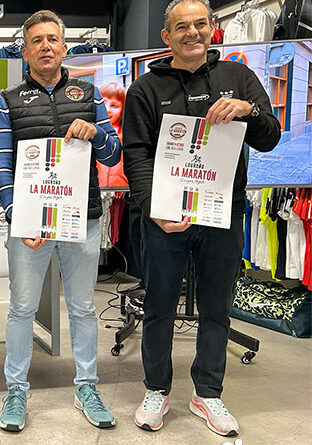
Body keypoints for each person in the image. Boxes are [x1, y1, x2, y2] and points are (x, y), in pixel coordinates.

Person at [123, 0, 280, 437]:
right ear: (166, 36)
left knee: (217, 306)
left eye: (199, 24)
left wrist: (248, 111)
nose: (192, 33)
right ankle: (156, 389)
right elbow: (136, 155)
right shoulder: (145, 89)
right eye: (181, 27)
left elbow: (269, 137)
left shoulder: (239, 78)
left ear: (212, 28)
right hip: (164, 219)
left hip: (223, 213)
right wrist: (153, 208)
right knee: (159, 305)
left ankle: (207, 393)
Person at [0, 9, 121, 433]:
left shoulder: (90, 94)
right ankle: (16, 390)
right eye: (36, 41)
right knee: (22, 308)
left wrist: (96, 133)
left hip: (83, 219)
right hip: (30, 224)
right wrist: (18, 216)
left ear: (64, 48)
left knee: (82, 307)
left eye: (52, 40)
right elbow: (1, 164)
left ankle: (87, 387)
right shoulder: (6, 101)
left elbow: (113, 155)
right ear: (25, 52)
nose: (45, 47)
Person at [97, 82, 128, 187]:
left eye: (114, 105)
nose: (107, 109)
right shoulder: (89, 133)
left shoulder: (128, 136)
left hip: (121, 192)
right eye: (103, 103)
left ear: (123, 109)